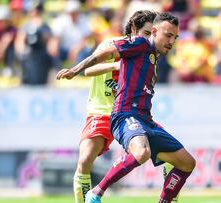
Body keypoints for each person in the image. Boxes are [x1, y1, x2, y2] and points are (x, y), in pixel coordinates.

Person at [56, 12, 195, 203]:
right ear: (150, 32)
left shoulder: (153, 56)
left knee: (187, 162)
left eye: (175, 37)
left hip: (144, 118)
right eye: (168, 35)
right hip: (122, 113)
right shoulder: (139, 44)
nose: (171, 41)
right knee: (133, 153)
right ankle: (95, 193)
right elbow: (99, 59)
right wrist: (75, 70)